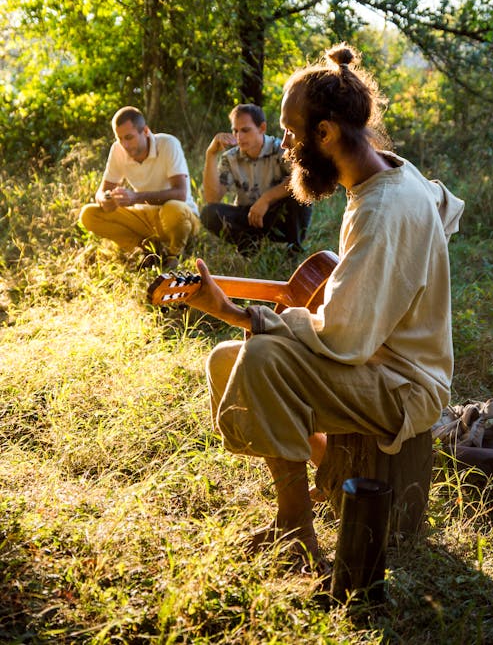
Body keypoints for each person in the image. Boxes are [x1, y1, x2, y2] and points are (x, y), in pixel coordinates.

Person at [180, 43, 464, 569]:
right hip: (375, 362)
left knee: (260, 357)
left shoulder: (382, 209)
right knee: (225, 359)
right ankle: (331, 470)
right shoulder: (395, 173)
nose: (284, 145)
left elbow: (342, 338)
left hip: (405, 384)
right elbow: (449, 206)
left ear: (326, 133)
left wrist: (237, 312)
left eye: (290, 131)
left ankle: (295, 528)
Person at [80, 106, 199, 269]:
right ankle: (146, 250)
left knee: (175, 209)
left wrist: (136, 197)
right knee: (89, 214)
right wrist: (107, 199)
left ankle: (174, 254)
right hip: (145, 217)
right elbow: (101, 192)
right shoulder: (117, 149)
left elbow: (180, 193)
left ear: (145, 131)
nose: (125, 144)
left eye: (129, 137)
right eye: (119, 138)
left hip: (179, 216)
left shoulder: (168, 144)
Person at [201, 103, 312, 254]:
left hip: (276, 214)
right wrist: (211, 155)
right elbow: (212, 198)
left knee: (299, 196)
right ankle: (250, 247)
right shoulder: (230, 158)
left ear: (262, 128)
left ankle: (293, 248)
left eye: (245, 130)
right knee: (208, 213)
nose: (239, 137)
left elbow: (301, 178)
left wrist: (266, 199)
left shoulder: (279, 148)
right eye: (235, 131)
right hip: (247, 216)